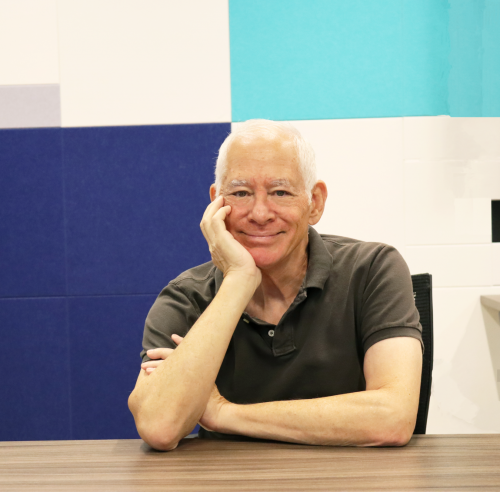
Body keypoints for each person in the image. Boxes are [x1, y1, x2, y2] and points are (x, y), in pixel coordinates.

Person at [128, 120, 423, 451]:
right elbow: (158, 426)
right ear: (215, 203)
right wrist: (238, 280)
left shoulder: (373, 269)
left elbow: (394, 418)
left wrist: (223, 413)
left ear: (315, 202)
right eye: (240, 193)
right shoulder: (185, 297)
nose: (259, 213)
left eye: (280, 192)